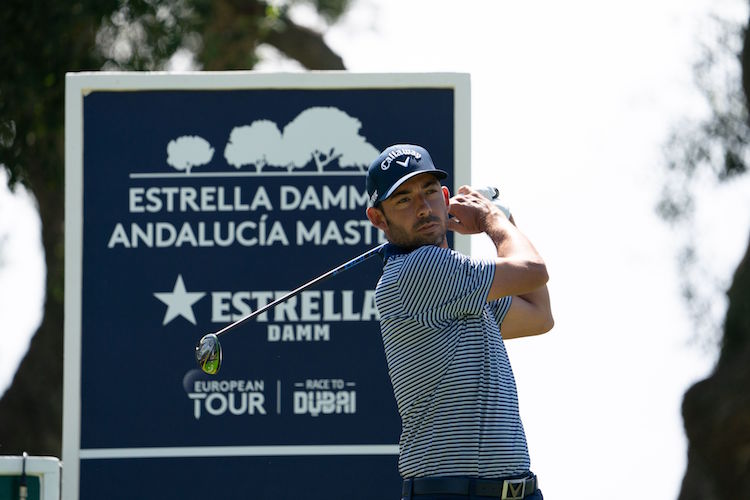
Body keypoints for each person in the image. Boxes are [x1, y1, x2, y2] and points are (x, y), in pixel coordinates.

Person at [365, 144, 553, 500]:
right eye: (403, 200)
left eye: (429, 192)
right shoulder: (418, 270)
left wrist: (503, 218)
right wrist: (491, 220)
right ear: (378, 218)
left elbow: (539, 314)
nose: (423, 208)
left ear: (445, 198)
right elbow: (534, 270)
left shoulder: (459, 287)